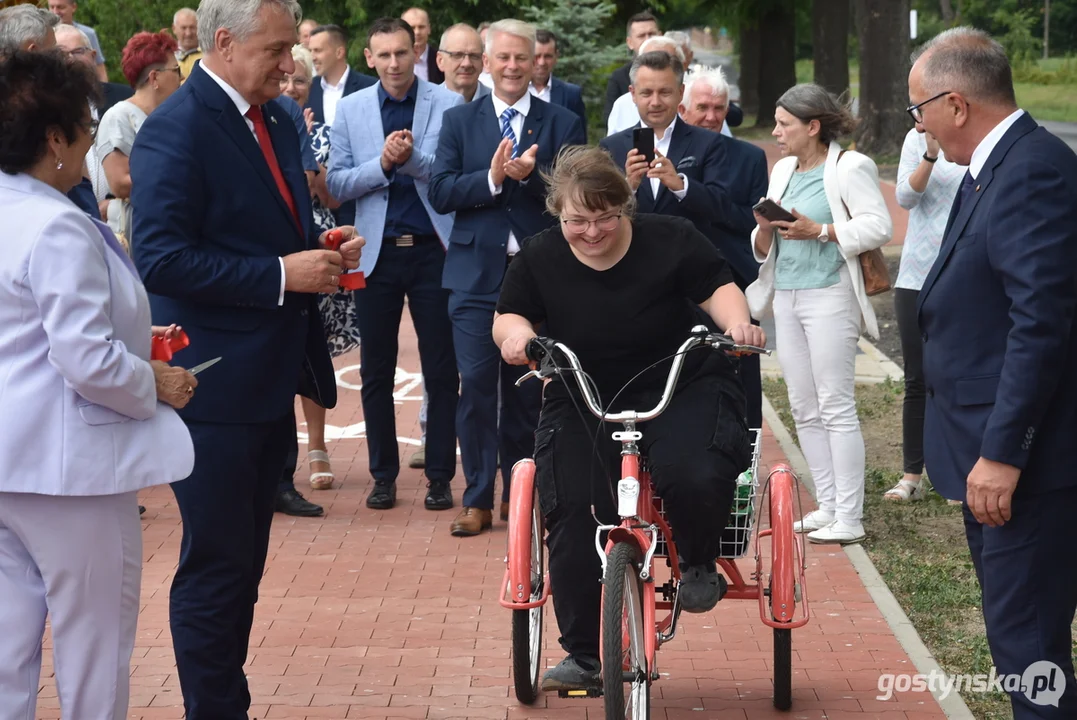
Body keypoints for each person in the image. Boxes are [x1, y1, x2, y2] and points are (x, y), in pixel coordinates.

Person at [128, 0, 365, 715]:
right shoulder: (176, 129)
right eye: (277, 49)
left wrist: (317, 250)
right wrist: (278, 275)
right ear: (223, 43)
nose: (290, 64)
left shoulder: (278, 118)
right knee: (217, 569)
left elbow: (261, 225)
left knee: (242, 567)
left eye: (292, 48)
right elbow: (160, 259)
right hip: (215, 390)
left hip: (269, 377)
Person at [493, 145, 765, 689]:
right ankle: (585, 655)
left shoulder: (670, 239)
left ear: (625, 208)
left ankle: (696, 561)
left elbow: (720, 288)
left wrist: (737, 326)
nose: (592, 232)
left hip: (678, 382)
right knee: (571, 510)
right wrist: (519, 338)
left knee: (694, 470)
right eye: (577, 221)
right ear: (557, 213)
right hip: (584, 391)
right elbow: (509, 316)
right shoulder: (541, 255)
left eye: (605, 218)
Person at [0, 49, 195, 720]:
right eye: (83, 127)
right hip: (69, 471)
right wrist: (154, 383)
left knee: (7, 649)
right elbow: (85, 359)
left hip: (10, 460)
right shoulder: (55, 225)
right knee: (93, 647)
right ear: (54, 139)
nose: (90, 138)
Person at [911, 27, 1077, 718]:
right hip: (997, 452)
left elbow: (1038, 323)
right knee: (1023, 641)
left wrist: (1002, 452)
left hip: (1025, 466)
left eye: (918, 108)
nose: (915, 124)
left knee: (1026, 645)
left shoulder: (1029, 168)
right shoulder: (994, 165)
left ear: (954, 103)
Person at [429, 18, 586, 536]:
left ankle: (521, 491)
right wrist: (495, 177)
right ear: (488, 62)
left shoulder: (561, 120)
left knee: (526, 388)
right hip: (474, 277)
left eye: (524, 58)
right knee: (474, 385)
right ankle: (476, 496)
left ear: (537, 60)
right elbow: (442, 191)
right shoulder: (459, 122)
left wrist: (533, 177)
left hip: (538, 278)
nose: (514, 67)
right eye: (504, 59)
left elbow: (576, 195)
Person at [746, 83, 892, 545]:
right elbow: (767, 245)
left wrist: (822, 230)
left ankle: (850, 515)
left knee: (835, 405)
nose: (775, 132)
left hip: (830, 295)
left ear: (813, 126)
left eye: (784, 124)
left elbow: (878, 225)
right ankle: (828, 505)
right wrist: (765, 231)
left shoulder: (850, 166)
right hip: (786, 295)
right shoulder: (784, 168)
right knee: (804, 407)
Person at [327, 17, 461, 512]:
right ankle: (383, 476)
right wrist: (382, 165)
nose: (393, 63)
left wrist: (411, 161)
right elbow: (337, 184)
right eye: (383, 55)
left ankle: (442, 476)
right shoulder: (351, 109)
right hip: (376, 253)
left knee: (441, 370)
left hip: (432, 250)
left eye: (401, 53)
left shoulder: (447, 103)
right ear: (368, 58)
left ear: (417, 53)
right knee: (376, 369)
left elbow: (452, 176)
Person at [677, 66, 769, 430]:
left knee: (743, 374)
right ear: (683, 110)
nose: (712, 116)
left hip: (736, 279)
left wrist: (690, 192)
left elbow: (751, 220)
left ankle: (747, 456)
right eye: (703, 107)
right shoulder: (667, 156)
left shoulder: (748, 157)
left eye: (719, 108)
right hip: (679, 285)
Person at [884, 123, 964, 502]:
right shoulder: (916, 138)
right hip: (916, 274)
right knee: (917, 380)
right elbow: (905, 197)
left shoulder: (975, 141)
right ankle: (912, 475)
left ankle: (957, 473)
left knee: (958, 376)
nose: (917, 115)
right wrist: (930, 154)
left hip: (964, 276)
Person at [97, 31, 183, 250]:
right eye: (176, 70)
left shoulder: (171, 116)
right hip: (139, 239)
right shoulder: (120, 116)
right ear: (154, 78)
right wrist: (187, 181)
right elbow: (121, 183)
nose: (181, 78)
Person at [605, 35, 682, 137]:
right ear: (633, 93)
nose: (655, 103)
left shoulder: (706, 141)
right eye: (647, 93)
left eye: (664, 92)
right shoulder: (621, 105)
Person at [602, 11, 660, 124]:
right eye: (641, 36)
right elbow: (611, 120)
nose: (647, 39)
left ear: (660, 36)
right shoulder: (619, 78)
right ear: (630, 42)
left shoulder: (675, 71)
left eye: (652, 34)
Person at [530, 29, 586, 139]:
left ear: (556, 57)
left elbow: (580, 143)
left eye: (548, 56)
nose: (542, 62)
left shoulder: (570, 94)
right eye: (537, 56)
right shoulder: (515, 91)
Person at [46, 0, 105, 81]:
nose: (55, 12)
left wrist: (103, 90)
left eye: (61, 7)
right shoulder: (44, 35)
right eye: (51, 7)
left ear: (73, 7)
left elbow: (100, 69)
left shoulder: (88, 33)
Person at [436, 23, 489, 103]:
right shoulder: (424, 105)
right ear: (440, 61)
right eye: (457, 55)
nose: (466, 64)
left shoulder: (499, 104)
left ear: (482, 62)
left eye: (474, 56)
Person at [401, 7, 443, 84]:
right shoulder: (394, 60)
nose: (417, 32)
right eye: (412, 28)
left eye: (421, 27)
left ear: (429, 29)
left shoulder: (441, 59)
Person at [173, 8, 203, 80]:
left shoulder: (209, 53)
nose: (188, 33)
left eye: (192, 28)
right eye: (183, 28)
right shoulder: (168, 56)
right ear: (174, 29)